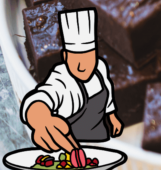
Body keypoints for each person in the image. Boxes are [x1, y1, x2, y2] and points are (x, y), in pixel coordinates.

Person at [20, 8, 122, 152]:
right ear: (66, 57)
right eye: (76, 58)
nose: (82, 65)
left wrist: (112, 117)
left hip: (103, 141)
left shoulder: (100, 67)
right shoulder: (63, 78)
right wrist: (40, 118)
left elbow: (108, 92)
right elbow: (45, 95)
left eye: (87, 58)